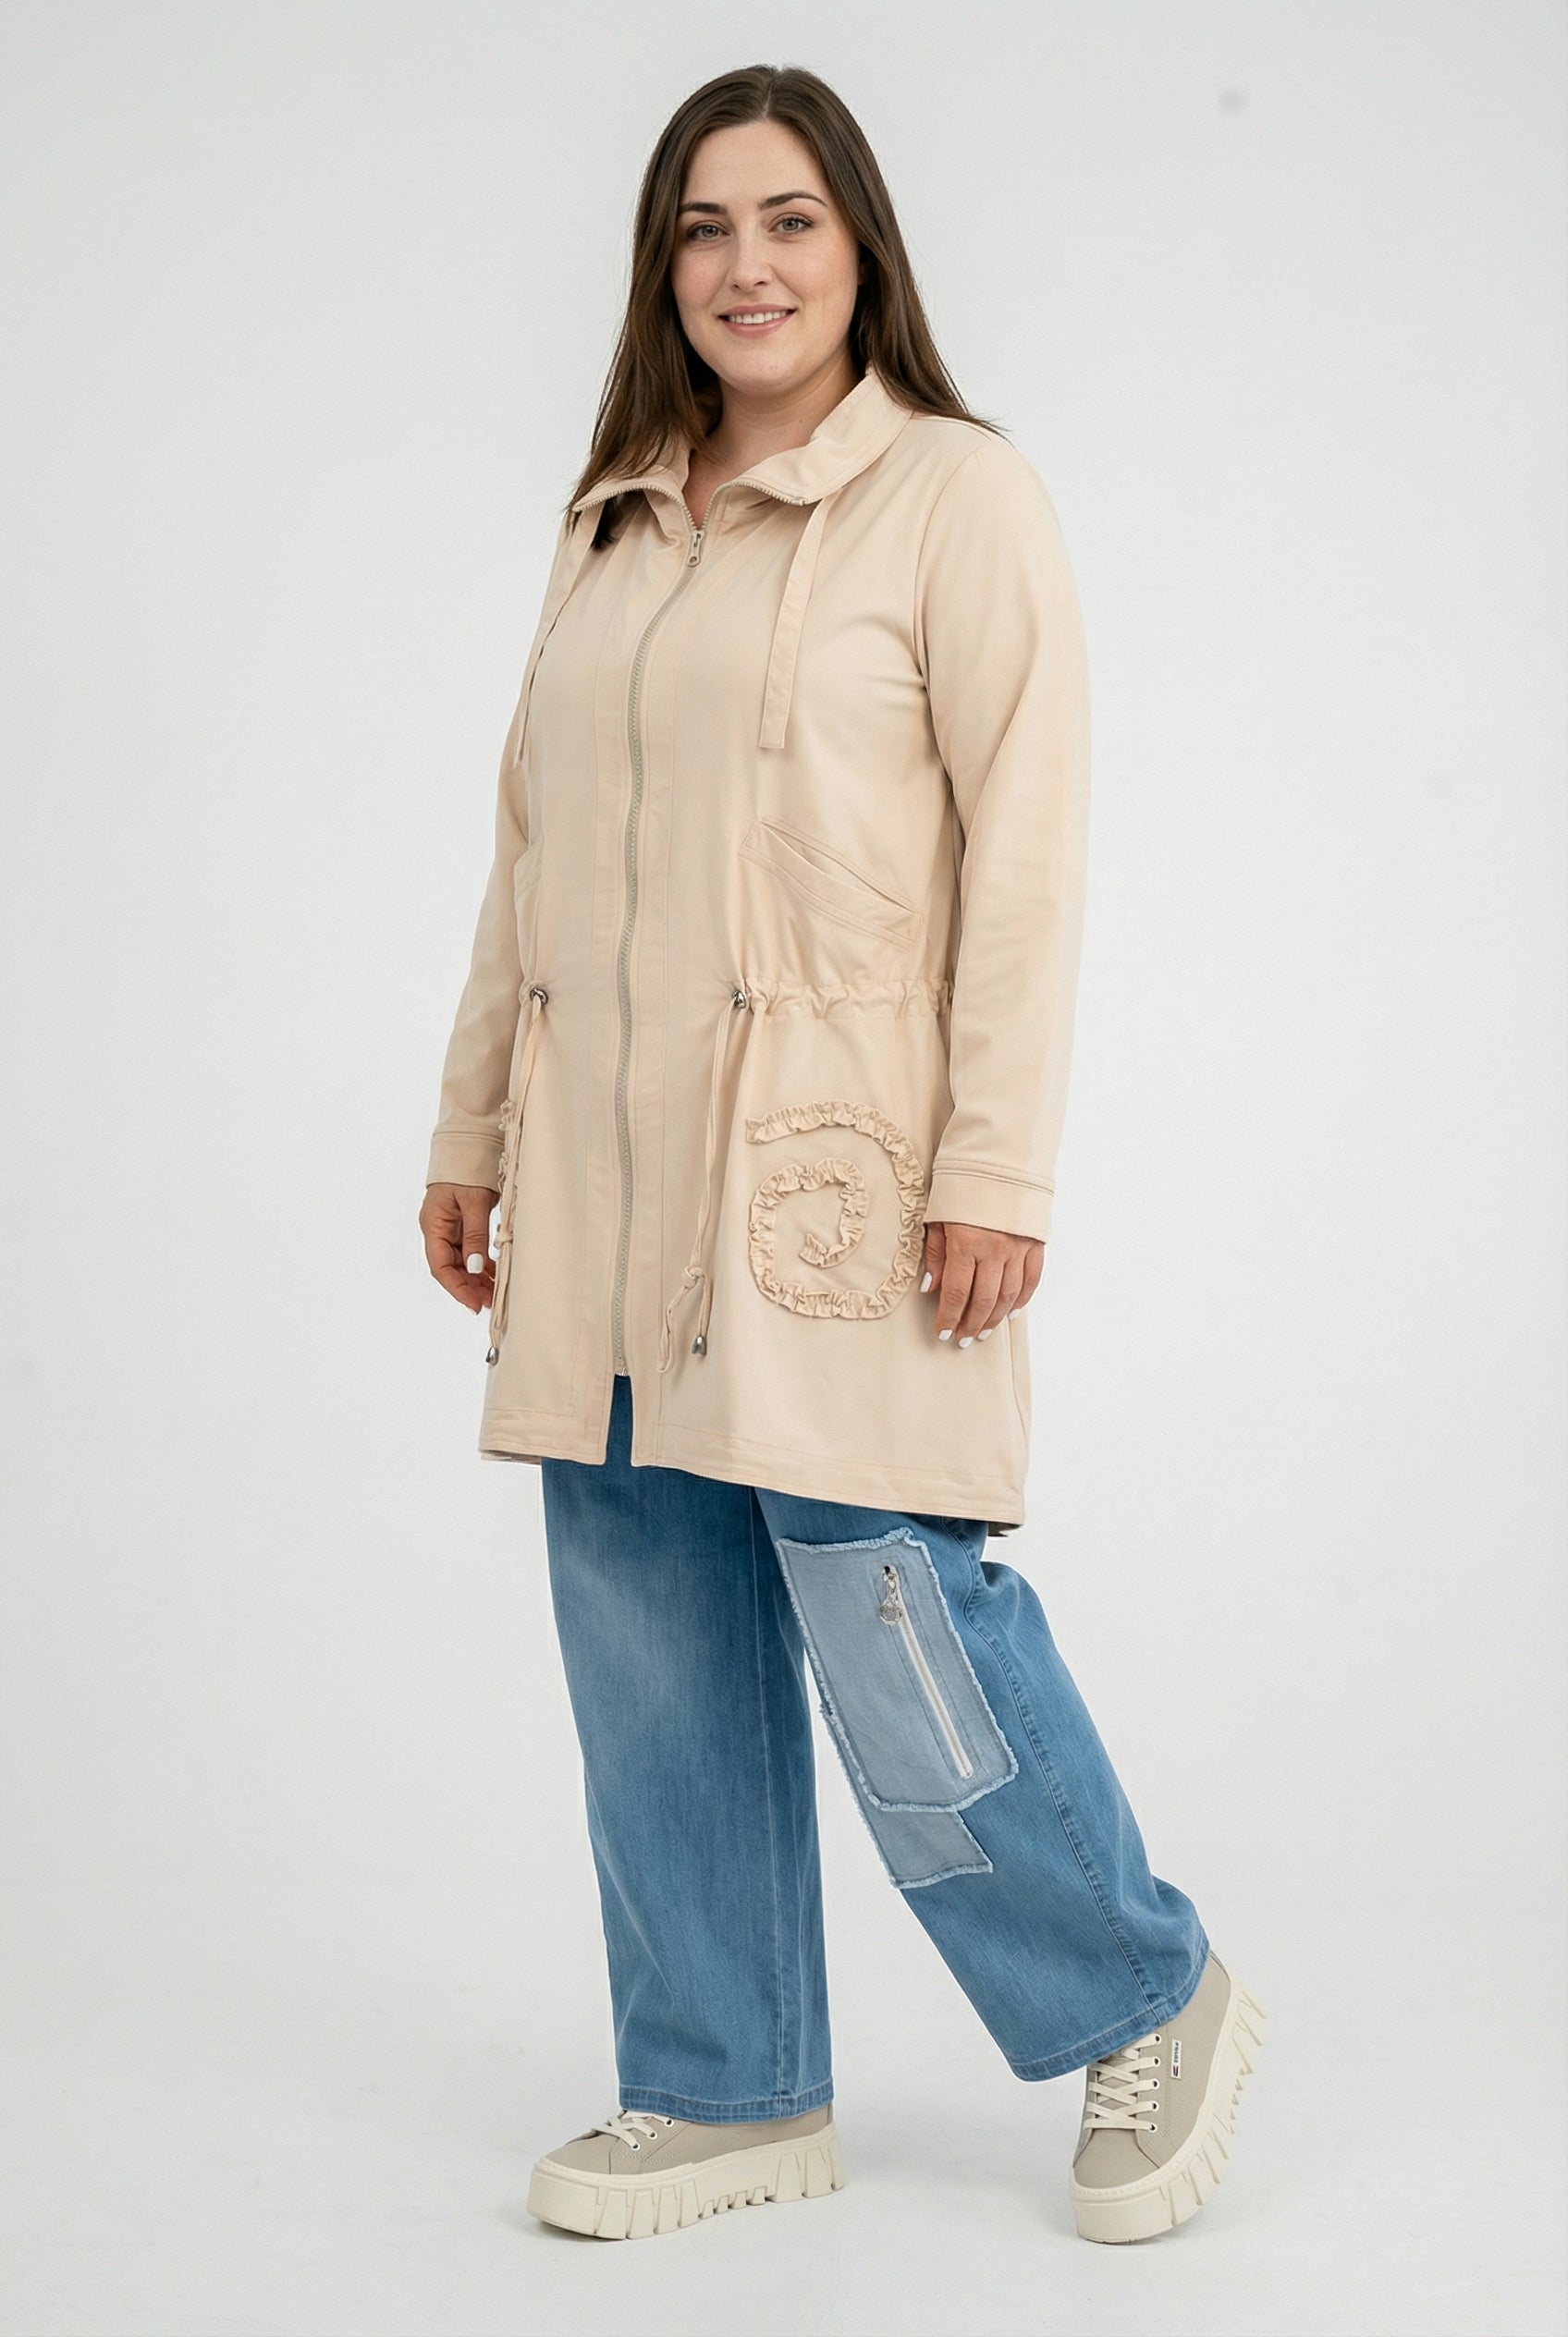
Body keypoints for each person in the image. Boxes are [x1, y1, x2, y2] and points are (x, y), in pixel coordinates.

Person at [418, 63, 1264, 2245]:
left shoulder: (956, 500)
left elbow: (1028, 859)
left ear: (861, 246)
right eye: (703, 228)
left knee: (892, 1614)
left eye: (787, 219)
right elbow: (526, 855)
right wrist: (471, 1125)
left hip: (833, 1171)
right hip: (598, 1178)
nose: (746, 265)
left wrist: (996, 1165)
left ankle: (1143, 1992)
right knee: (640, 1619)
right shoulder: (613, 516)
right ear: (660, 269)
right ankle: (721, 2079)